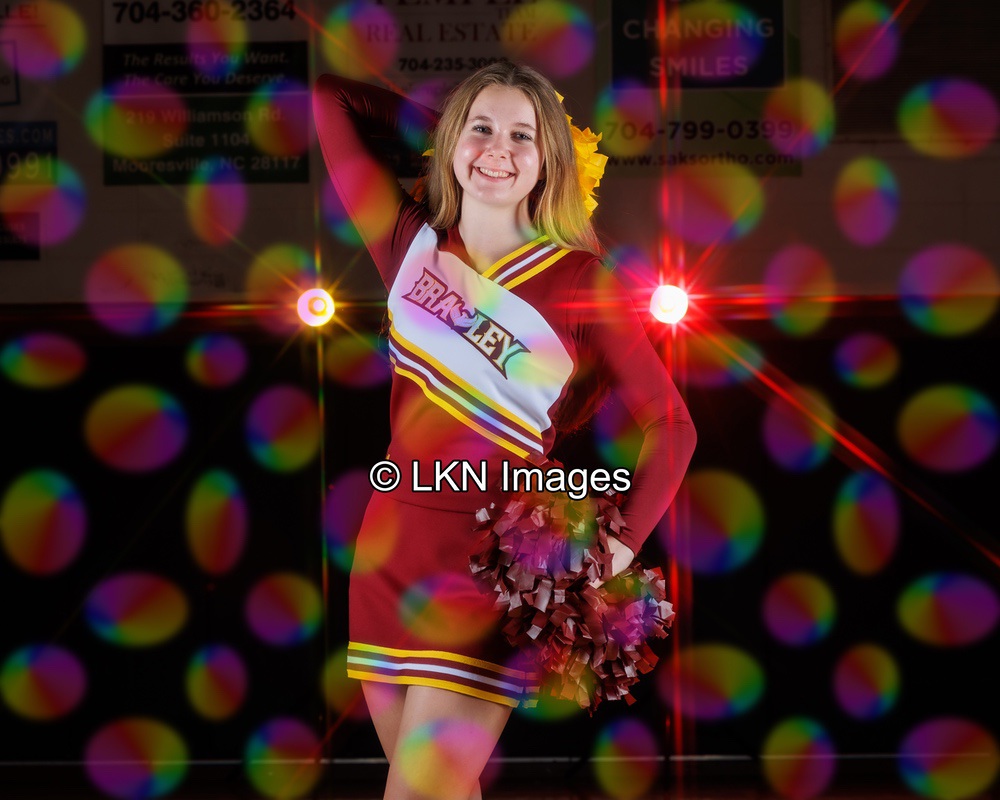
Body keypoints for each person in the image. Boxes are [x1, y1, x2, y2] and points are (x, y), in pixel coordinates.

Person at [313, 60, 696, 800]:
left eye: (524, 136)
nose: (499, 147)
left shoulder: (582, 280)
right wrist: (460, 137)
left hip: (486, 570)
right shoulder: (409, 244)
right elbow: (329, 97)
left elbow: (673, 424)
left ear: (552, 158)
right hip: (388, 554)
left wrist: (615, 551)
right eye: (482, 127)